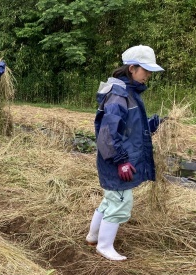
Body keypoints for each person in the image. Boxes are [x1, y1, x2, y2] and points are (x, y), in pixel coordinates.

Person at [86, 45, 165, 261]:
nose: (148, 76)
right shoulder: (119, 96)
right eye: (145, 70)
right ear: (132, 68)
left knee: (109, 200)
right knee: (121, 203)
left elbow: (131, 127)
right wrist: (121, 161)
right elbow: (107, 135)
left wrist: (153, 124)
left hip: (116, 159)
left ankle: (93, 236)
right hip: (116, 161)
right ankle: (104, 246)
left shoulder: (128, 94)